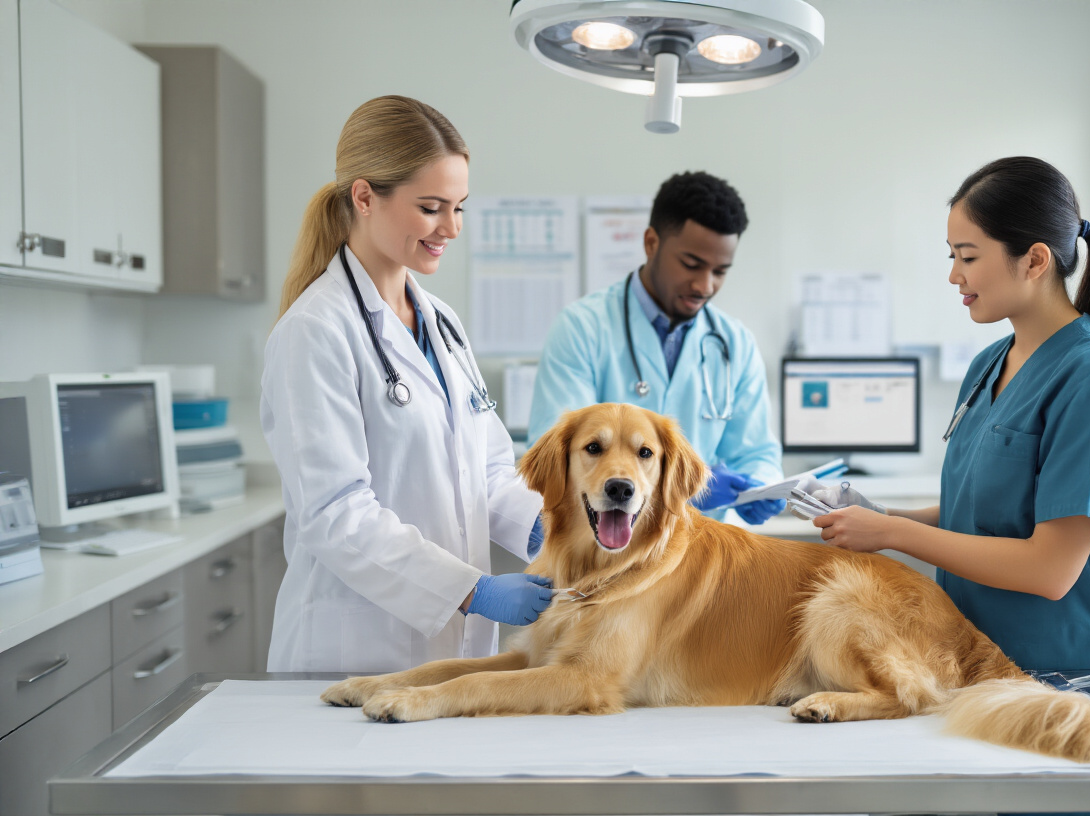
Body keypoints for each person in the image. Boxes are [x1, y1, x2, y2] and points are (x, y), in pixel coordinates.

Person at [809, 156, 1090, 677]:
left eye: (967, 257)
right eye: (952, 256)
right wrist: (882, 516)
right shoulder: (989, 363)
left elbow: (1050, 568)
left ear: (1035, 260)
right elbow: (979, 515)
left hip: (1062, 676)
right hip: (972, 659)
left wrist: (893, 536)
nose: (954, 275)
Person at [261, 96, 552, 673]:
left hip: (447, 652)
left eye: (459, 207)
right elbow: (336, 513)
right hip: (355, 651)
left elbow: (488, 473)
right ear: (365, 197)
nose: (451, 228)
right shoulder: (315, 332)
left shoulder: (441, 322)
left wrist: (554, 527)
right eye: (430, 207)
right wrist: (474, 592)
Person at [528, 171, 785, 524]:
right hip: (604, 547)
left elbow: (755, 452)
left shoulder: (735, 344)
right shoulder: (582, 328)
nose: (704, 285)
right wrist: (693, 486)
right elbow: (555, 457)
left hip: (699, 548)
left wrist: (762, 487)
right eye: (691, 264)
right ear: (651, 243)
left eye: (720, 271)